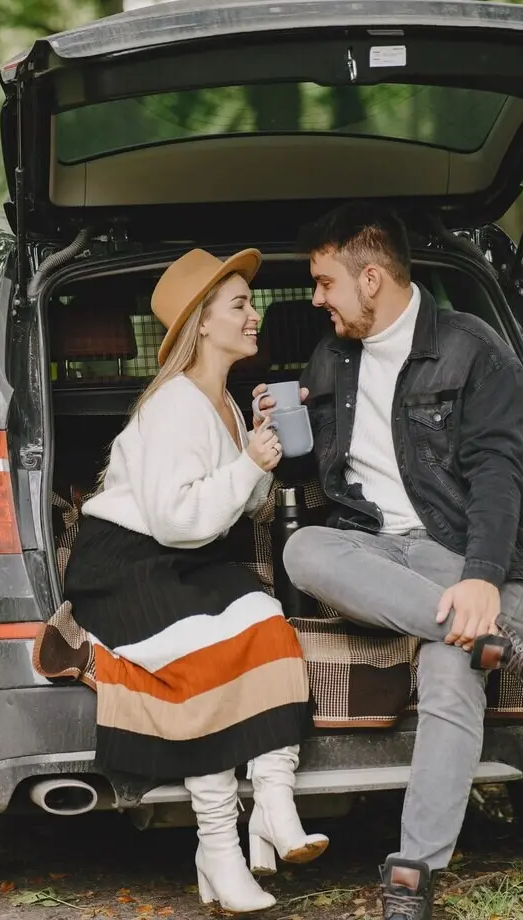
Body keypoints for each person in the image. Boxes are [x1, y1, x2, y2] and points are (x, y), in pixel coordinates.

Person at [255, 203, 523, 920]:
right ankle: (521, 644)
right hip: (375, 549)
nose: (315, 300)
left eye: (323, 283)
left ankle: (413, 876)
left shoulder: (474, 350)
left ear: (371, 278)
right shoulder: (331, 355)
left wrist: (481, 582)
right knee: (305, 546)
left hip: (468, 550)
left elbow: (500, 476)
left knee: (447, 663)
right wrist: (278, 432)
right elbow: (319, 472)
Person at [64, 248, 328, 914]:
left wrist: (259, 446)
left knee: (268, 624)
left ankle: (272, 797)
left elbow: (244, 507)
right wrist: (246, 465)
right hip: (121, 567)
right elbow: (180, 519)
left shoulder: (229, 404)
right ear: (201, 324)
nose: (253, 315)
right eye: (239, 304)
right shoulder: (176, 406)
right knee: (206, 662)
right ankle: (218, 846)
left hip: (179, 561)